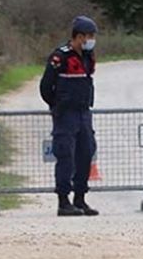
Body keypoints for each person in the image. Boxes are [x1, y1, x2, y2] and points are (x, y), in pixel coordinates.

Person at [40, 16, 99, 217]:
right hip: (66, 115)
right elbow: (46, 87)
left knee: (86, 152)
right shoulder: (61, 57)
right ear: (79, 36)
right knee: (66, 156)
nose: (91, 40)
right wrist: (57, 106)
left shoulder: (88, 57)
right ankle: (63, 201)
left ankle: (80, 199)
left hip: (83, 113)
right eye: (89, 36)